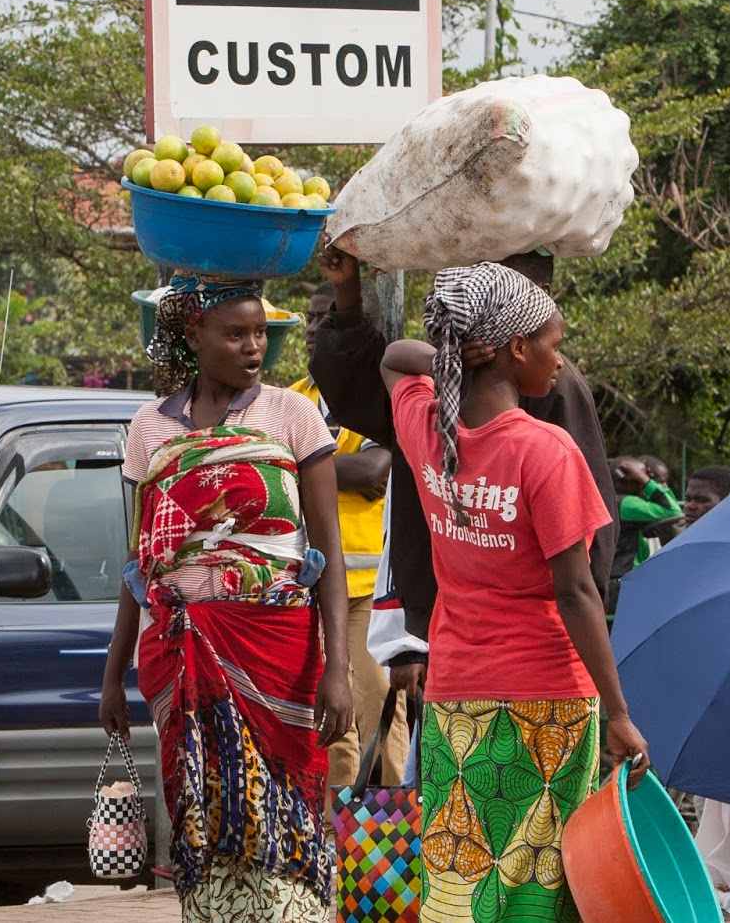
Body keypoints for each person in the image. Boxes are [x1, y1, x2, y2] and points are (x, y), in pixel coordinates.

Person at [379, 261, 649, 923]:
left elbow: (394, 358)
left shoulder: (425, 429)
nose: (560, 361)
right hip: (549, 705)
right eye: (554, 343)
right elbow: (577, 593)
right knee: (547, 887)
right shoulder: (547, 451)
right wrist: (618, 714)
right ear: (515, 349)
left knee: (464, 883)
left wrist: (452, 355)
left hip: (453, 703)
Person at [98, 275, 353, 923]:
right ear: (194, 336)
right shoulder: (149, 428)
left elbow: (328, 547)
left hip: (278, 654)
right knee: (204, 822)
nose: (253, 348)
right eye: (235, 333)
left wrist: (339, 670)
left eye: (260, 333)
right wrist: (111, 675)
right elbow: (140, 556)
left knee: (288, 814)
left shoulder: (290, 415)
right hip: (179, 657)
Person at [310, 247, 618, 697]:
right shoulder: (461, 419)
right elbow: (577, 588)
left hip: (473, 675)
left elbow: (585, 565)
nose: (557, 359)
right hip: (521, 674)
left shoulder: (436, 417)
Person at [291, 281, 407, 788]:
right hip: (307, 584)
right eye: (311, 319)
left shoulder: (376, 401)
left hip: (369, 588)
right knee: (329, 717)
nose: (317, 328)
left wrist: (304, 466)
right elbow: (350, 470)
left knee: (379, 703)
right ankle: (338, 838)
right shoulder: (292, 401)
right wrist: (335, 465)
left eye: (328, 319)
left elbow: (376, 471)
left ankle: (394, 834)